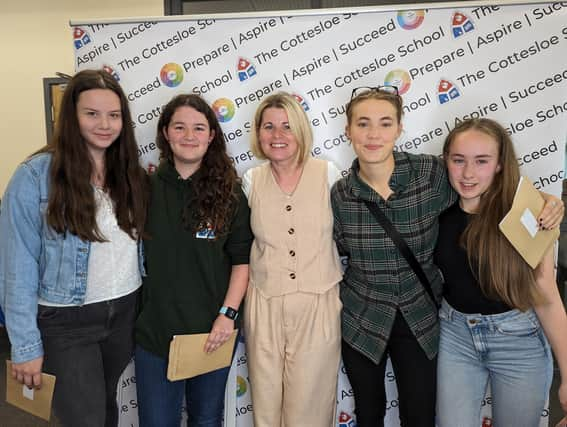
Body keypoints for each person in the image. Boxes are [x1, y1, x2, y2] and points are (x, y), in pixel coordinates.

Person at [330, 87, 563, 427]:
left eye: (385, 123)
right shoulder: (345, 194)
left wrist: (546, 200)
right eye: (363, 123)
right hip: (403, 324)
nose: (374, 134)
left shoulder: (434, 176)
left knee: (423, 415)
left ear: (399, 128)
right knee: (378, 414)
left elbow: (492, 186)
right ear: (348, 130)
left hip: (463, 327)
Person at [0, 69, 149, 426]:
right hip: (67, 321)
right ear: (71, 117)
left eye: (114, 115)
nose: (105, 124)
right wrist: (25, 347)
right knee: (86, 418)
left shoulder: (128, 172)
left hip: (124, 311)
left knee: (107, 409)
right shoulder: (36, 175)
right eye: (91, 114)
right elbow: (16, 267)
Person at [434, 118, 567, 426]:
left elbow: (546, 294)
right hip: (456, 337)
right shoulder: (435, 206)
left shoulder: (528, 213)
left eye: (481, 161)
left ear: (498, 165)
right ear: (446, 160)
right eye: (459, 160)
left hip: (518, 340)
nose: (468, 173)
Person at [134, 94, 253, 427]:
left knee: (205, 420)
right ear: (165, 133)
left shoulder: (230, 193)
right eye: (180, 127)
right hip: (155, 336)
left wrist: (227, 316)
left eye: (199, 128)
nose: (189, 136)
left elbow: (242, 261)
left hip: (211, 334)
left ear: (211, 135)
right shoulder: (145, 189)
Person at [242, 92, 343, 427]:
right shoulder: (250, 180)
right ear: (258, 134)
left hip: (318, 304)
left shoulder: (328, 174)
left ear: (301, 129)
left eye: (287, 126)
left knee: (310, 411)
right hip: (264, 303)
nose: (278, 135)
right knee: (266, 408)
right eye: (268, 126)